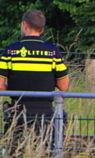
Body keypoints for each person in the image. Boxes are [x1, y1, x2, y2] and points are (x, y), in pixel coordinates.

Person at [0, 10, 70, 144]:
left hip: (17, 111)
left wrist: (14, 90)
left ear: (24, 25)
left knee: (14, 154)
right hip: (45, 113)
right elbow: (63, 86)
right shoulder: (53, 52)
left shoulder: (10, 51)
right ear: (42, 30)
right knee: (46, 150)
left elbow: (0, 84)